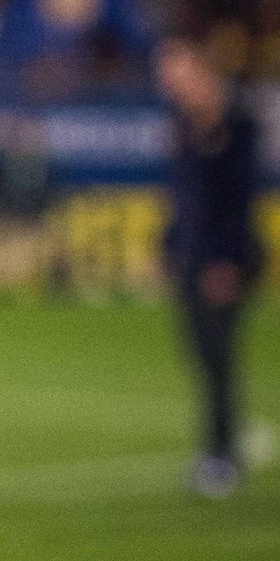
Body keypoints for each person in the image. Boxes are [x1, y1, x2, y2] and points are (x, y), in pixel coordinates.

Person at [156, 30, 265, 498]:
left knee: (218, 356)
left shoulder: (237, 122)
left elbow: (240, 201)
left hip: (225, 261)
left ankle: (221, 455)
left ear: (198, 69)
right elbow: (184, 198)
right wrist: (168, 245)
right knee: (201, 353)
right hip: (192, 257)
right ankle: (222, 446)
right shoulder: (184, 124)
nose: (166, 78)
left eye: (173, 68)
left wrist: (228, 262)